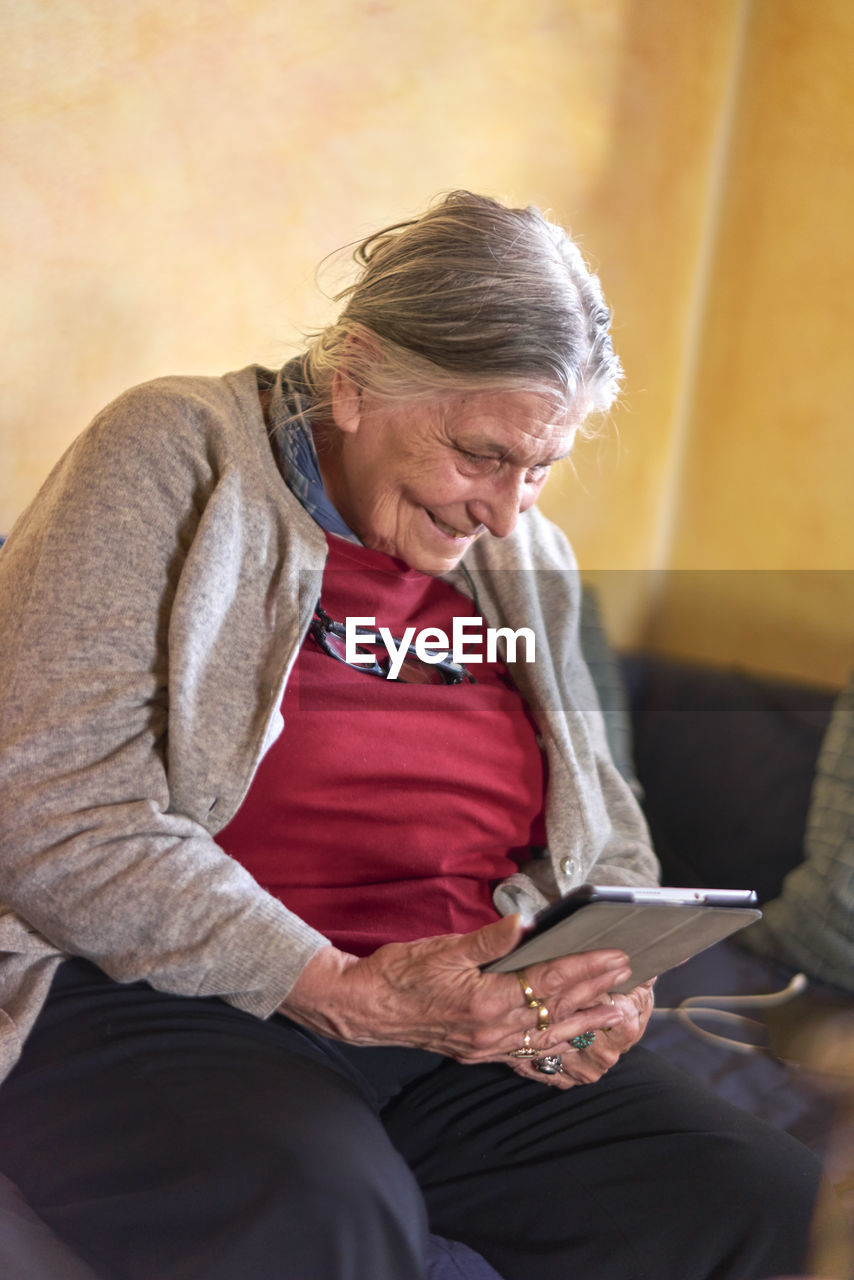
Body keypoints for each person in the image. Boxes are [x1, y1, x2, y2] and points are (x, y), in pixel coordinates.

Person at [0, 191, 830, 1280]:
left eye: (540, 467)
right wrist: (346, 988)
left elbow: (605, 834)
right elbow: (53, 806)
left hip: (460, 1024)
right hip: (175, 999)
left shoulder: (528, 558)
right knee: (327, 1216)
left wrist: (597, 977)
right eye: (481, 453)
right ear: (355, 379)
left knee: (766, 1203)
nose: (504, 507)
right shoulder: (177, 449)